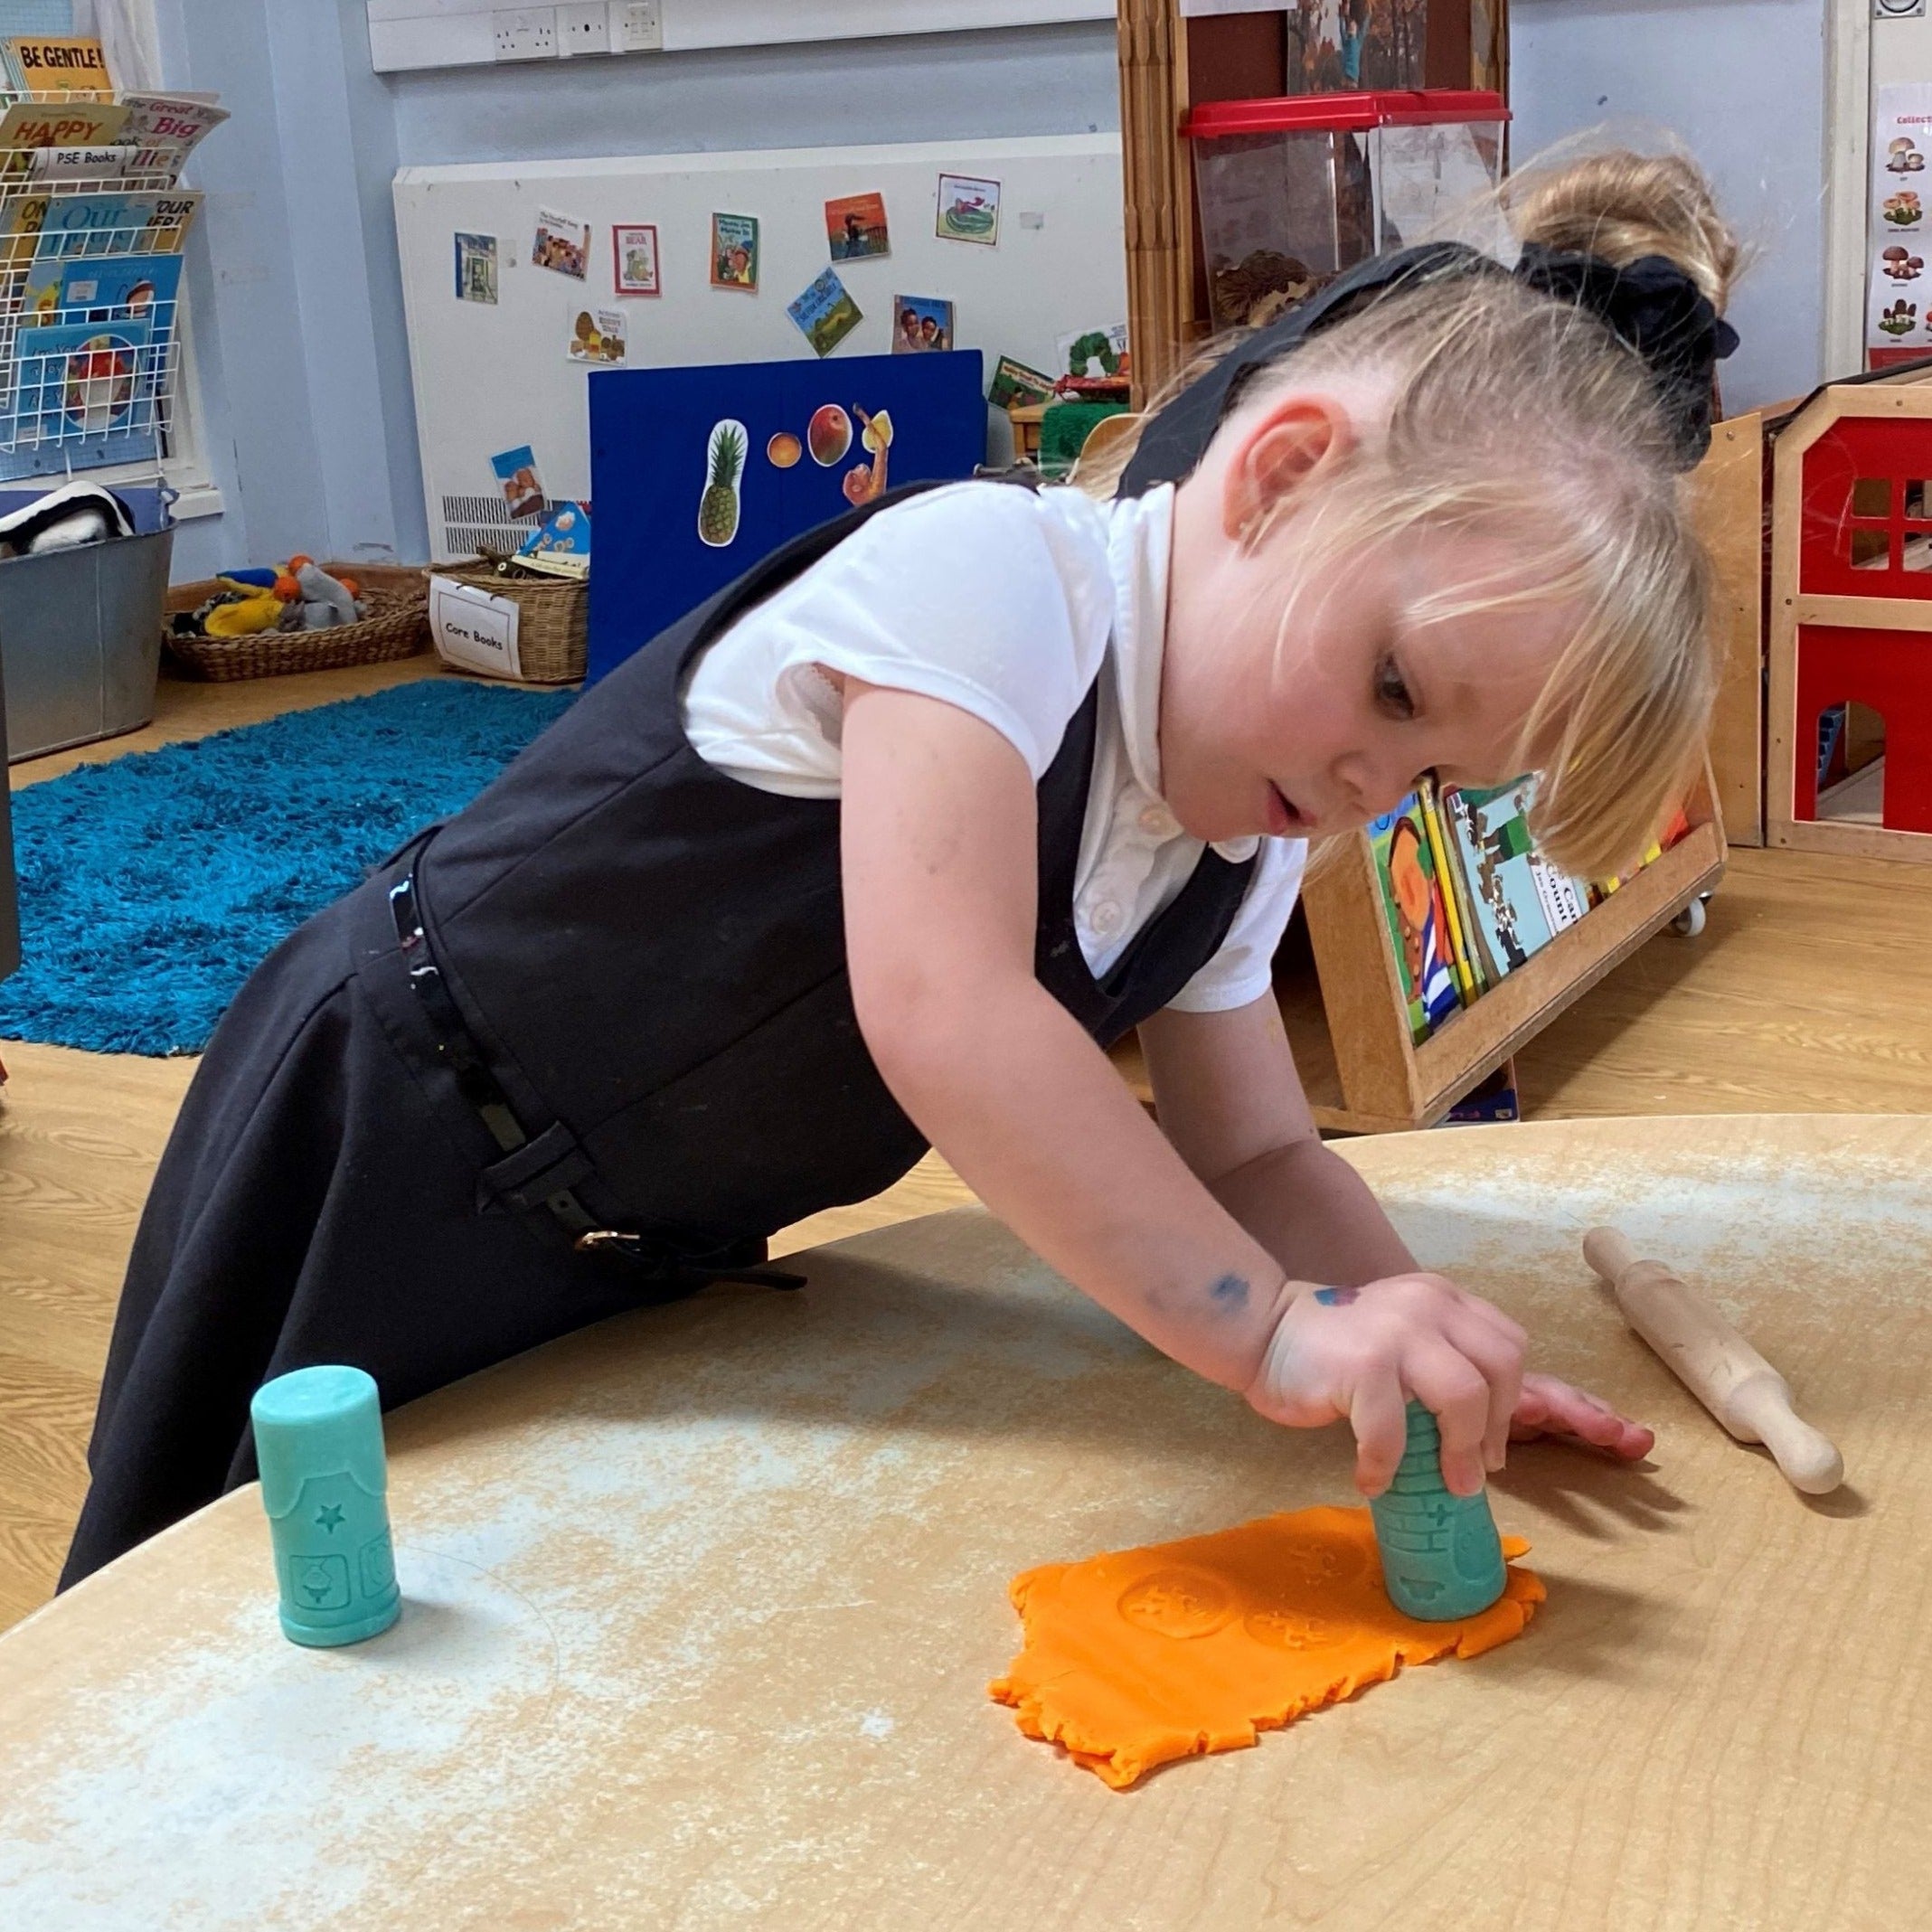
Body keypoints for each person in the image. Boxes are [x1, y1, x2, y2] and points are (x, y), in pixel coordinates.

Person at [61, 150, 1739, 1585]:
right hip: (389, 1117)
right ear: (1282, 476)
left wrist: (1407, 1329)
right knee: (205, 1586)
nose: (1375, 787)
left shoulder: (1236, 841)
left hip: (641, 1240)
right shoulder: (997, 579)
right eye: (1391, 689)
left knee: (463, 1617)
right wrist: (1274, 1335)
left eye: (1436, 777)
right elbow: (945, 1010)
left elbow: (1255, 1151)